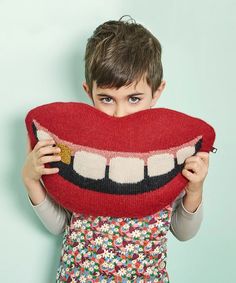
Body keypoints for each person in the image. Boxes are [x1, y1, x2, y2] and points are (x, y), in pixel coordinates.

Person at [22, 15, 209, 283]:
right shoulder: (75, 148)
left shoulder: (172, 153)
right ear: (89, 92)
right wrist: (31, 180)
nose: (120, 113)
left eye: (134, 99)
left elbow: (183, 232)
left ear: (157, 92)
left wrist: (195, 188)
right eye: (107, 99)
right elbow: (60, 226)